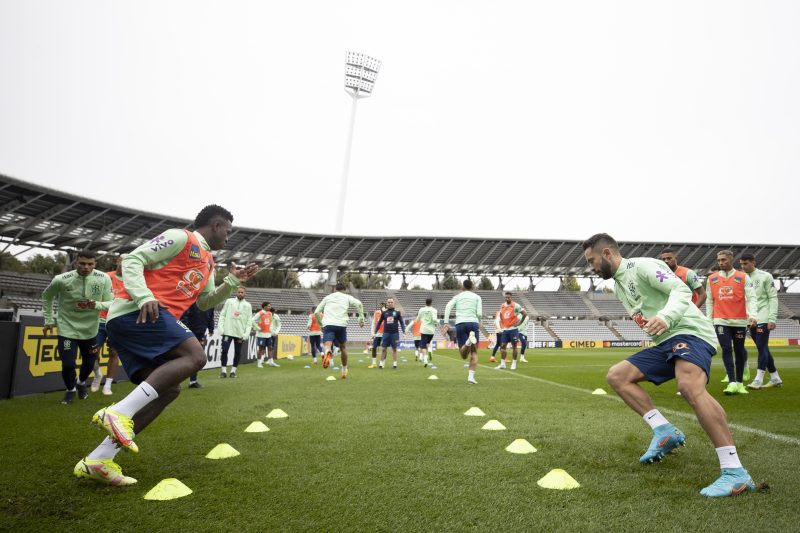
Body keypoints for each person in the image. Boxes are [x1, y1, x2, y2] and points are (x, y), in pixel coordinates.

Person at [73, 205, 257, 486]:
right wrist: (144, 295)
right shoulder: (182, 238)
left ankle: (99, 458)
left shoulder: (208, 262)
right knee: (196, 355)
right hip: (135, 312)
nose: (228, 239)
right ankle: (118, 412)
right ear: (217, 225)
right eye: (228, 232)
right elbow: (134, 259)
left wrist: (232, 282)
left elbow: (205, 301)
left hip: (148, 321)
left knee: (169, 390)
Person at [582, 233, 755, 497]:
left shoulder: (642, 266)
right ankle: (664, 431)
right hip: (666, 341)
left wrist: (665, 317)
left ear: (606, 253)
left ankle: (735, 473)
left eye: (592, 260)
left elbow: (681, 290)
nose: (591, 267)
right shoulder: (618, 284)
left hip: (689, 331)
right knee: (618, 376)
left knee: (689, 386)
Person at [41, 250, 113, 405]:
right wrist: (48, 319)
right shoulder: (61, 279)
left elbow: (110, 302)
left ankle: (81, 383)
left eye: (90, 264)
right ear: (75, 263)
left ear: (95, 264)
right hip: (67, 328)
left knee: (89, 363)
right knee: (67, 364)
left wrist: (96, 305)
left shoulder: (104, 278)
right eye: (82, 263)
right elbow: (46, 297)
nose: (86, 267)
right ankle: (70, 390)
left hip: (91, 329)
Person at [706, 250, 758, 394]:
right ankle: (732, 382)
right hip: (721, 320)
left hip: (740, 321)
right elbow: (710, 300)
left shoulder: (743, 277)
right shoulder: (712, 279)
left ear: (731, 260)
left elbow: (752, 297)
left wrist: (753, 315)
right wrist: (708, 319)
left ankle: (740, 383)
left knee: (739, 351)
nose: (721, 263)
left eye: (724, 260)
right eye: (719, 260)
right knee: (726, 349)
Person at [739, 253, 782, 389]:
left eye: (746, 263)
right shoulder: (742, 278)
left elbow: (773, 298)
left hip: (763, 317)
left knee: (762, 347)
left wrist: (772, 318)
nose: (743, 266)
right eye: (741, 264)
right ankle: (775, 377)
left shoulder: (765, 276)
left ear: (753, 262)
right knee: (762, 348)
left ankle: (758, 379)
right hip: (751, 319)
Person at [315, 282, 365, 379]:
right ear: (344, 290)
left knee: (327, 345)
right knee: (343, 348)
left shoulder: (328, 297)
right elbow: (359, 304)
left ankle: (327, 353)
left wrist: (321, 324)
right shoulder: (347, 297)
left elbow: (317, 312)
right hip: (341, 325)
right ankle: (344, 370)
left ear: (335, 289)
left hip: (329, 325)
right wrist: (361, 318)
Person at [95, 255, 125, 395]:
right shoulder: (106, 277)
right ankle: (97, 373)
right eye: (122, 261)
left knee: (114, 352)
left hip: (117, 322)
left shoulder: (132, 281)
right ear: (117, 261)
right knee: (93, 351)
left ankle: (108, 385)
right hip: (100, 320)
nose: (125, 264)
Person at [442, 279, 483, 385]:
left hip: (460, 324)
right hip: (473, 323)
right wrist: (478, 321)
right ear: (472, 287)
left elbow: (448, 306)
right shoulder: (477, 297)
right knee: (474, 352)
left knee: (463, 355)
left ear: (462, 287)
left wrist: (446, 323)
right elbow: (479, 313)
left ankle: (468, 342)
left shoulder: (457, 297)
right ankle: (471, 378)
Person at [218, 286, 252, 378]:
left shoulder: (248, 305)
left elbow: (249, 321)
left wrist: (245, 335)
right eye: (239, 292)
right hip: (228, 331)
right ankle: (223, 371)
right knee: (224, 350)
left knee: (237, 352)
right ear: (236, 292)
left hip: (239, 334)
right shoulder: (229, 301)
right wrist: (221, 329)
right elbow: (222, 315)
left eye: (242, 292)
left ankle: (233, 371)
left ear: (245, 294)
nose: (240, 294)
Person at [180, 302, 215, 388]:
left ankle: (193, 381)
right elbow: (185, 316)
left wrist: (211, 328)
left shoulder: (210, 303)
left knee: (197, 358)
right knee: (182, 357)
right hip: (189, 333)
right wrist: (186, 330)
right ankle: (177, 381)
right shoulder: (192, 301)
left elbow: (211, 316)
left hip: (201, 333)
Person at [495, 292, 526, 370]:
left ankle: (514, 363)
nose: (507, 299)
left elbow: (524, 313)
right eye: (506, 297)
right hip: (505, 330)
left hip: (513, 330)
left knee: (514, 346)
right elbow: (501, 315)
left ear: (511, 297)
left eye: (508, 297)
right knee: (502, 346)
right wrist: (503, 323)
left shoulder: (516, 305)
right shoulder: (502, 306)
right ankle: (503, 364)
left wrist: (519, 323)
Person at [375, 298, 406, 369]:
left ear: (393, 303)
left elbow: (401, 322)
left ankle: (395, 364)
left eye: (391, 302)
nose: (390, 303)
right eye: (389, 302)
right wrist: (375, 331)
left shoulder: (397, 312)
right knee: (383, 349)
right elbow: (379, 322)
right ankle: (381, 363)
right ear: (387, 303)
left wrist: (404, 331)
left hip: (395, 333)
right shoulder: (384, 313)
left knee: (394, 349)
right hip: (386, 333)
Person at [415, 297, 438, 367]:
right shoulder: (434, 310)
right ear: (431, 303)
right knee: (428, 343)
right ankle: (430, 351)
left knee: (423, 346)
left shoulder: (421, 310)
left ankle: (425, 360)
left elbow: (417, 319)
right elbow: (434, 319)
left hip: (424, 329)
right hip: (431, 331)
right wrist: (436, 324)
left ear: (425, 302)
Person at [368, 302, 386, 368]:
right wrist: (372, 333)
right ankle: (374, 363)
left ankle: (383, 363)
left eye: (383, 304)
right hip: (377, 334)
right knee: (374, 347)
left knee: (384, 349)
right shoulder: (377, 312)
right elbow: (373, 323)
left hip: (385, 333)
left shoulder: (387, 312)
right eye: (381, 304)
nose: (382, 305)